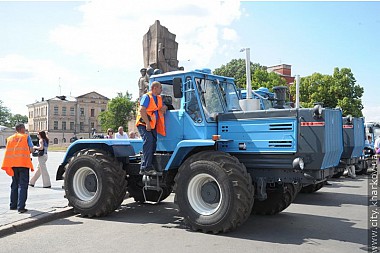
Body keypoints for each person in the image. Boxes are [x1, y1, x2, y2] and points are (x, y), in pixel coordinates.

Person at [136, 81, 167, 175]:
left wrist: (164, 108)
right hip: (144, 124)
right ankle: (145, 167)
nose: (161, 90)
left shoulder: (158, 98)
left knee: (153, 143)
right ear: (155, 88)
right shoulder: (147, 97)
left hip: (152, 125)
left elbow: (162, 107)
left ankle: (149, 164)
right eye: (160, 88)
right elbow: (142, 110)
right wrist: (147, 124)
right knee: (148, 141)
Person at [1, 123, 34, 213]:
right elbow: (31, 149)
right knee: (22, 185)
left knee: (14, 185)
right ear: (22, 129)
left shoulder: (10, 139)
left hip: (13, 164)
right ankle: (21, 207)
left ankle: (13, 205)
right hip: (23, 163)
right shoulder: (25, 137)